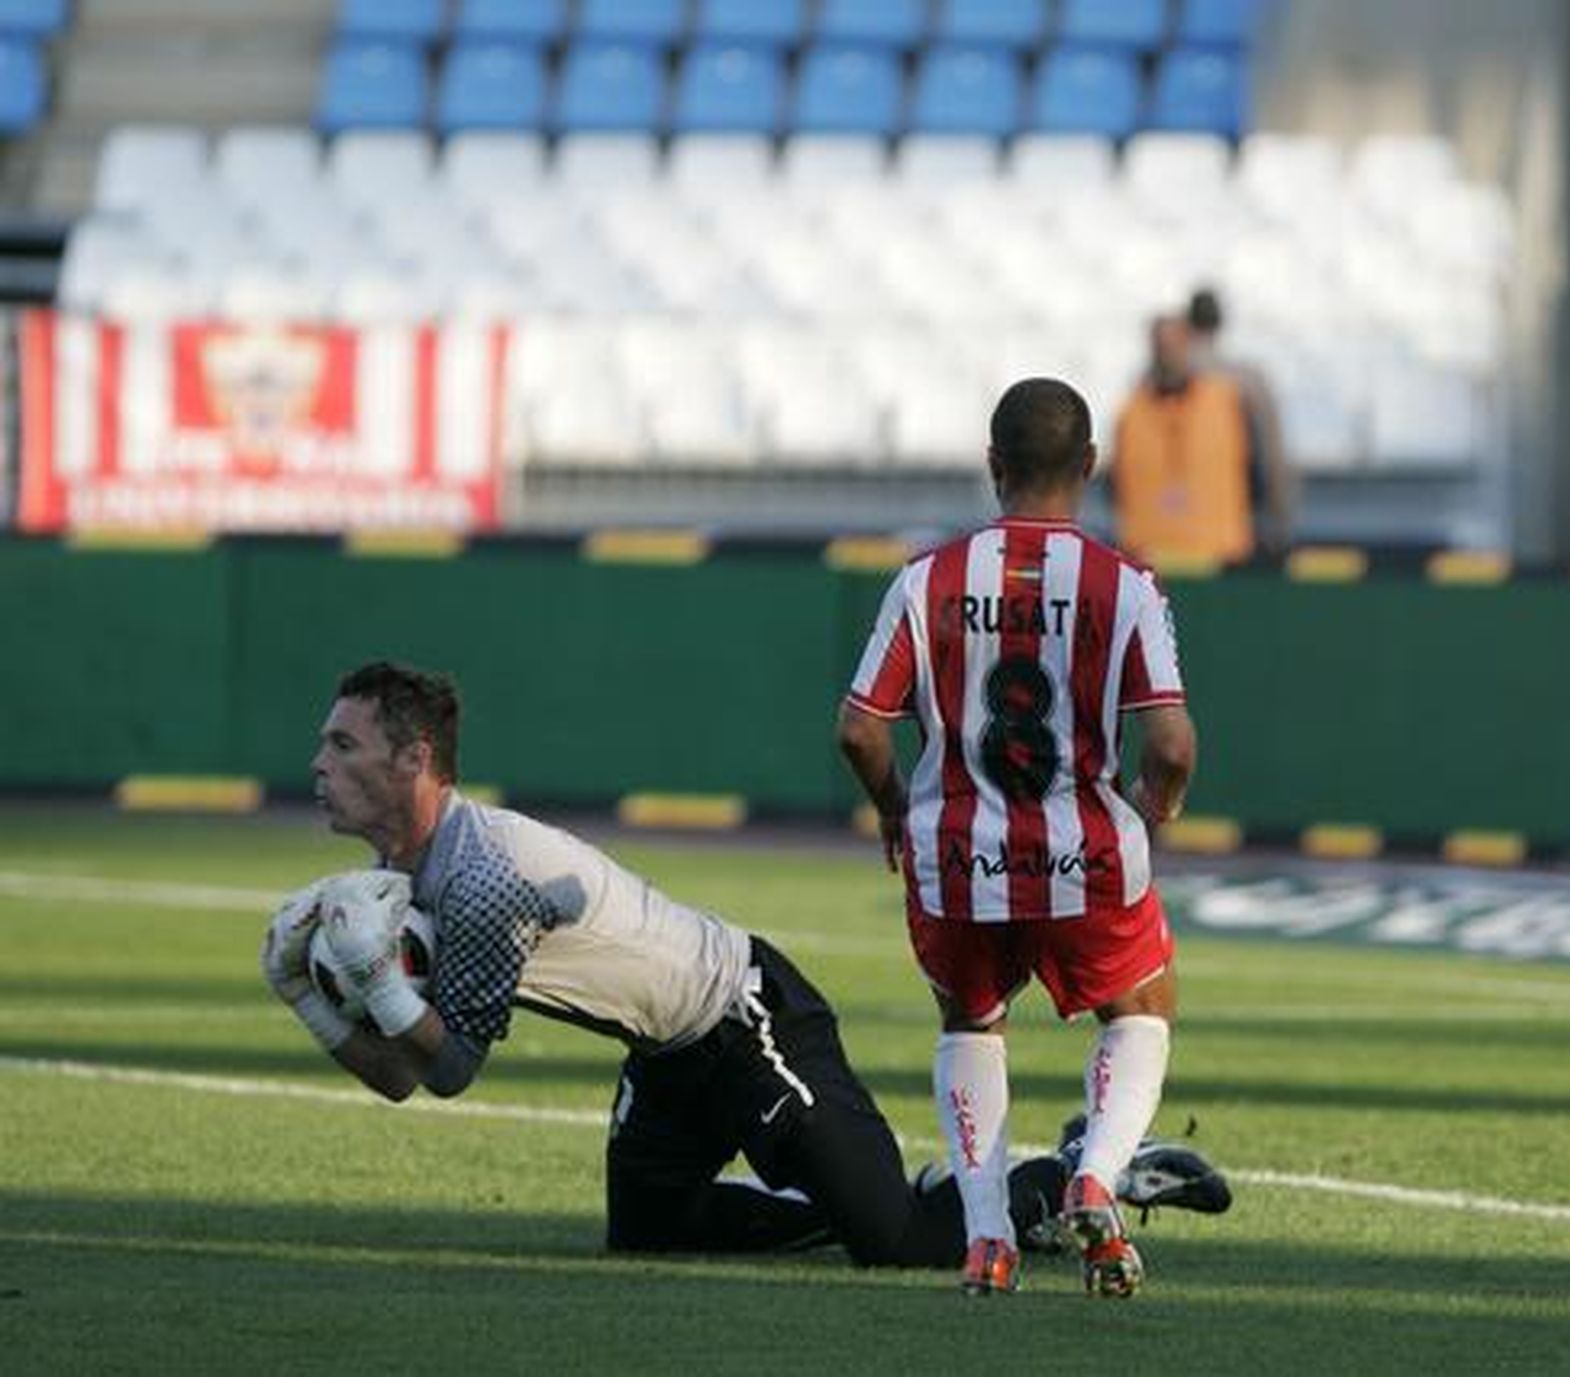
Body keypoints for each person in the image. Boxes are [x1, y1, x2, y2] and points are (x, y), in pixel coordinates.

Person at [260, 661, 1224, 1275]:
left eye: (341, 743)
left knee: (898, 1248)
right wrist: (310, 997)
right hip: (667, 1054)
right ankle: (852, 1192)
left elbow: (450, 1068)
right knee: (648, 1231)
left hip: (747, 1019)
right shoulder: (406, 877)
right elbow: (400, 1075)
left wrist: (375, 988)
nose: (318, 761)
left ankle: (1075, 1173)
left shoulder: (480, 875)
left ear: (412, 758)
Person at [837, 378, 1198, 1298]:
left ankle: (988, 1235)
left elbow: (860, 727)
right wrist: (1154, 807)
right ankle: (1096, 1173)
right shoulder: (1125, 585)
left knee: (970, 1021)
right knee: (1142, 1005)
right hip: (1084, 854)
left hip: (957, 858)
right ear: (1089, 466)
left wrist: (888, 803)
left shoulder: (928, 581)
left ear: (993, 465)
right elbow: (1170, 743)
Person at [1111, 313, 1264, 565]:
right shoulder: (1130, 411)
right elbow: (1115, 485)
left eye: (1175, 345)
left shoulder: (1226, 401)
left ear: (1189, 346)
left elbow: (1257, 472)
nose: (1168, 355)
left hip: (1221, 558)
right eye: (1161, 346)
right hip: (1148, 559)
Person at [1186, 286, 1296, 554]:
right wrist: (1279, 518)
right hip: (1231, 525)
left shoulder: (1154, 379)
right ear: (1220, 322)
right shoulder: (1247, 380)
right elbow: (1273, 455)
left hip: (1165, 530)